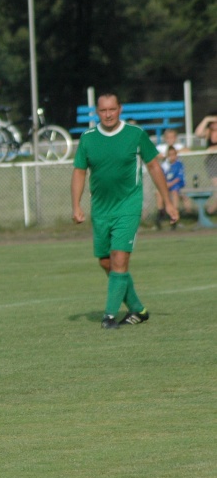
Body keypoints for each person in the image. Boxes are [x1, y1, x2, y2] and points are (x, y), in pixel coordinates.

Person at [71, 93, 178, 329]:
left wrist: (168, 202)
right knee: (105, 262)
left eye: (112, 109)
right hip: (101, 209)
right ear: (97, 112)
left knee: (119, 259)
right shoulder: (88, 138)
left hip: (128, 206)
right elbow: (79, 171)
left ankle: (109, 316)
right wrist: (76, 206)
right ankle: (138, 309)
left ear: (120, 109)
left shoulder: (135, 134)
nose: (108, 114)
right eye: (103, 110)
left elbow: (154, 166)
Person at [154, 128, 187, 226]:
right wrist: (165, 155)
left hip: (176, 181)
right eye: (168, 137)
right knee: (158, 192)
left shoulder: (178, 147)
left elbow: (187, 150)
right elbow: (155, 154)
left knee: (174, 192)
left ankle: (175, 214)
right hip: (166, 180)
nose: (170, 139)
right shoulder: (161, 147)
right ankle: (161, 213)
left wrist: (174, 152)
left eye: (172, 137)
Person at [194, 113, 217, 214]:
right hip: (212, 162)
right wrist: (206, 119)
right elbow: (198, 134)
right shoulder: (208, 132)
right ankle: (211, 210)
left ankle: (212, 209)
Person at [162, 146, 186, 230]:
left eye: (173, 154)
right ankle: (160, 216)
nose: (172, 156)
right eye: (170, 155)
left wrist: (170, 184)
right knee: (158, 193)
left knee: (174, 192)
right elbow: (161, 177)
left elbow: (179, 178)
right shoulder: (165, 165)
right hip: (167, 185)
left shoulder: (179, 164)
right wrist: (165, 184)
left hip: (176, 184)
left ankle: (174, 216)